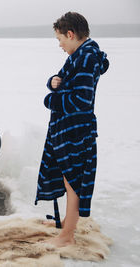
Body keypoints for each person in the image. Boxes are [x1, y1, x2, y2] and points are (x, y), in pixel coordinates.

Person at [35, 12, 109, 247]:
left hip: (76, 131)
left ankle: (66, 236)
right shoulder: (80, 56)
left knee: (73, 182)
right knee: (69, 179)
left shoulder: (87, 58)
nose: (60, 45)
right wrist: (53, 81)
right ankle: (67, 222)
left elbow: (82, 100)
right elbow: (64, 80)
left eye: (60, 40)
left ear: (71, 34)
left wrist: (51, 100)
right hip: (68, 129)